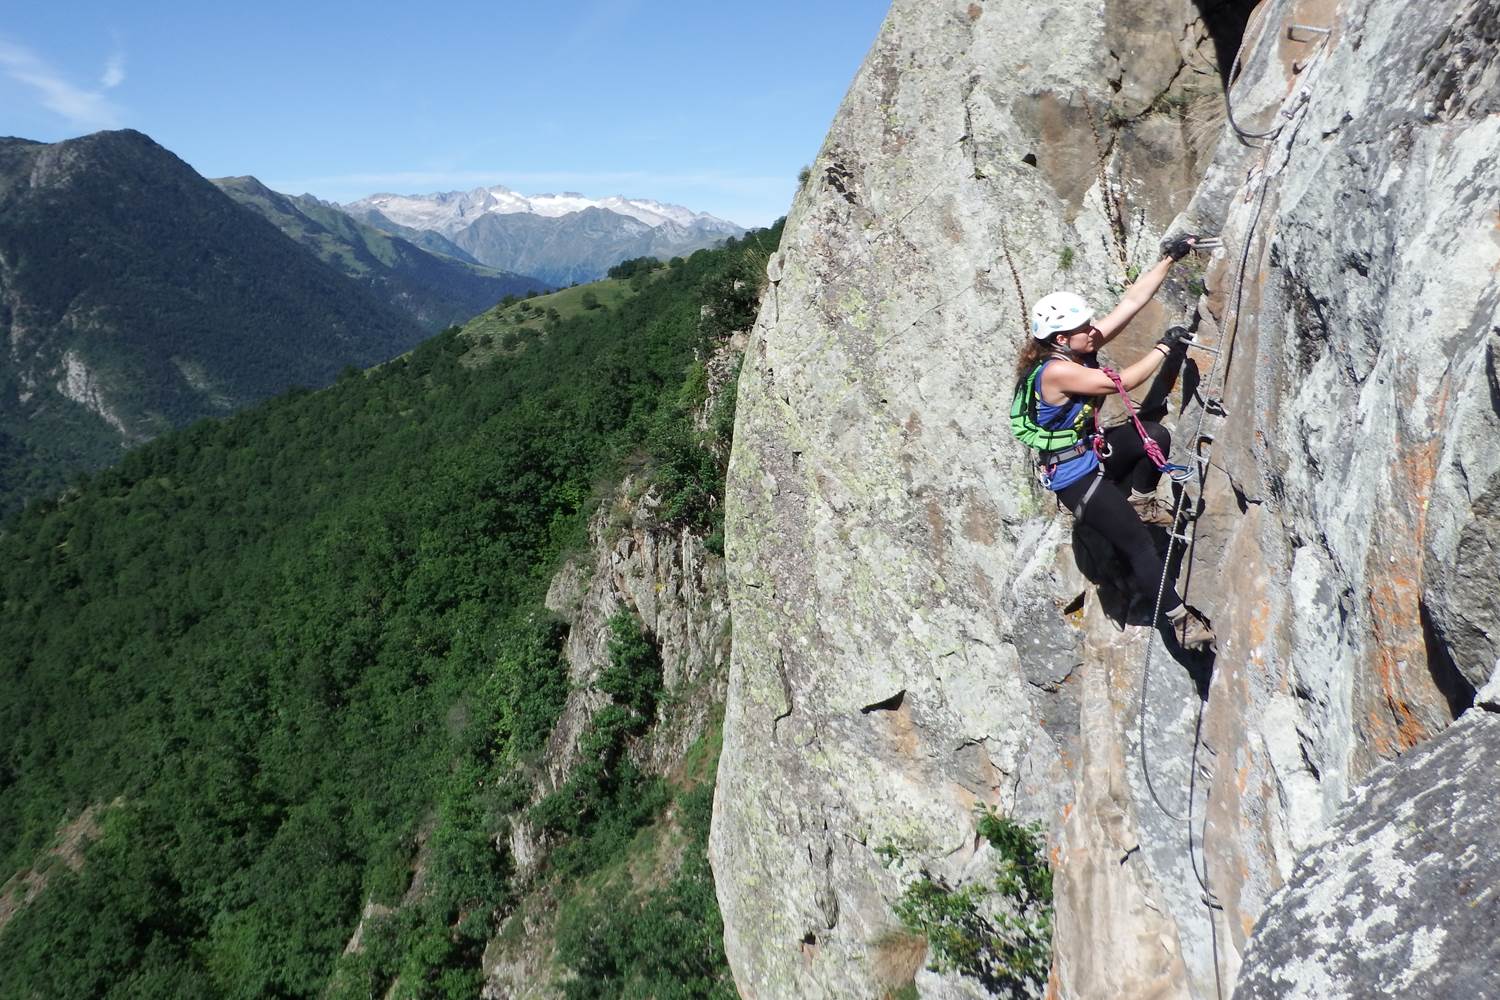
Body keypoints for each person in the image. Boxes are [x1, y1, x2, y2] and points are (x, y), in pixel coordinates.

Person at [1010, 236, 1215, 652]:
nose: (1092, 330)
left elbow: (1130, 303)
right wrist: (1163, 348)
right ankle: (1177, 621)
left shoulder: (1073, 348)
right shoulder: (1056, 372)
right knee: (1137, 544)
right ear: (1062, 340)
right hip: (1074, 477)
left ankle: (1140, 501)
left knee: (1153, 435)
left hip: (1091, 453)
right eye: (1082, 328)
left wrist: (1168, 260)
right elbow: (1117, 382)